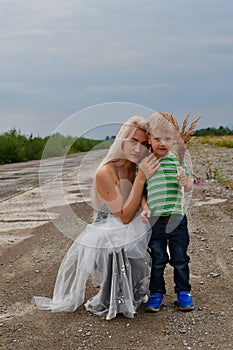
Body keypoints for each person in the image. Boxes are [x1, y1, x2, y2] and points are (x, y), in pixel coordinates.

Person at [32, 116, 160, 320]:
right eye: (133, 141)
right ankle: (110, 296)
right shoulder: (106, 172)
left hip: (134, 227)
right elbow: (125, 217)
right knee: (118, 246)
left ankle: (142, 288)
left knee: (155, 242)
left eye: (144, 144)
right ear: (122, 141)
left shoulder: (137, 166)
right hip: (107, 233)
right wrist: (141, 179)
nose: (138, 149)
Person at [140, 112, 196, 312]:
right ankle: (156, 293)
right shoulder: (147, 163)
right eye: (157, 139)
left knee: (180, 258)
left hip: (177, 219)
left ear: (174, 140)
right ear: (149, 139)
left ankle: (183, 292)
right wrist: (144, 207)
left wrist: (186, 182)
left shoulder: (177, 162)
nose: (162, 143)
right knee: (157, 259)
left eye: (167, 139)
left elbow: (190, 186)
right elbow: (142, 191)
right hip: (155, 221)